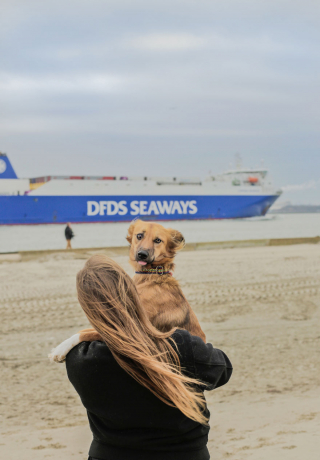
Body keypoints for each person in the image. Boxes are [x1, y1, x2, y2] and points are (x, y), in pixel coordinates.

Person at [65, 255, 233, 460]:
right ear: (132, 293)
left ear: (87, 308)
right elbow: (223, 370)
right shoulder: (178, 344)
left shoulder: (79, 358)